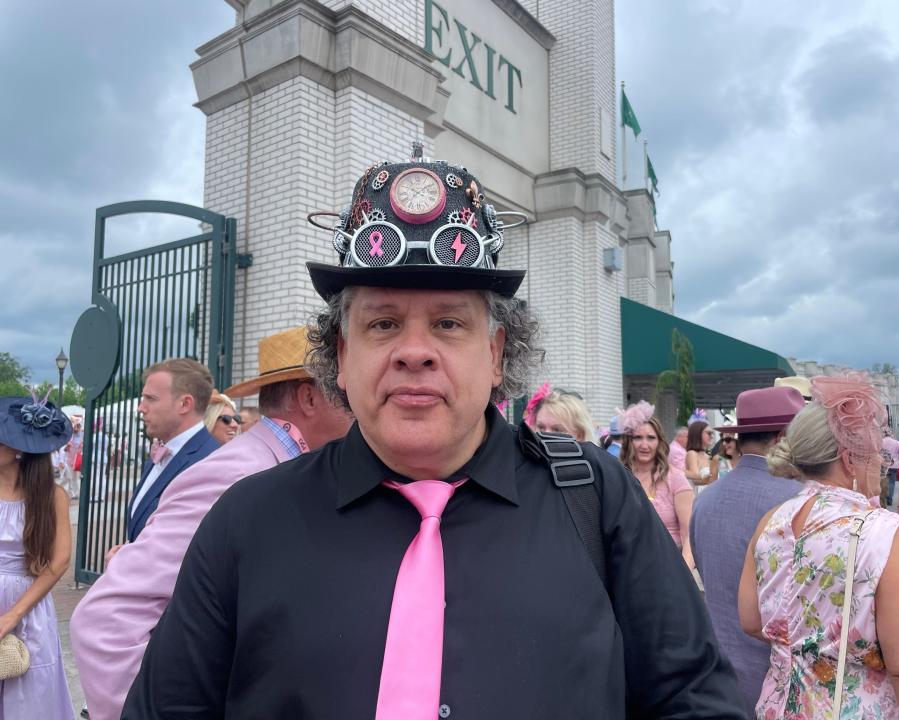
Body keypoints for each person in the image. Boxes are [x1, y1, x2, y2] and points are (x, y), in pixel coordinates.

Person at [122, 159, 745, 718]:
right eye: (383, 323)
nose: (414, 352)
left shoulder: (594, 497)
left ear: (497, 353)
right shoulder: (248, 521)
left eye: (448, 323)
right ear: (341, 356)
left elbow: (694, 699)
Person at [71, 327, 353, 720]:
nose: (361, 405)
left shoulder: (269, 466)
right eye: (345, 394)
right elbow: (106, 620)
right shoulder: (237, 474)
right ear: (309, 398)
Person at [738, 374, 899, 719]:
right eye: (874, 454)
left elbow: (750, 619)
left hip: (779, 707)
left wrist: (810, 648)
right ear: (848, 458)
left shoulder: (772, 521)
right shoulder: (881, 532)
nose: (880, 464)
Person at [689, 386, 805, 713]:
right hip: (782, 677)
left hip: (719, 673)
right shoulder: (800, 501)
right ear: (783, 436)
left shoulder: (705, 499)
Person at [0, 393, 75, 718]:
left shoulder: (51, 496)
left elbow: (59, 562)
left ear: (19, 449)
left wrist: (13, 615)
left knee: (28, 696)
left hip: (27, 604)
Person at [125, 358, 220, 542]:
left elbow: (182, 545)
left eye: (151, 399)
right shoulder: (160, 453)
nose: (141, 408)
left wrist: (124, 563)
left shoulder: (207, 463)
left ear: (185, 404)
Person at [618, 401, 695, 571]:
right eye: (638, 437)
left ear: (659, 441)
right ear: (629, 442)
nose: (644, 445)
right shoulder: (618, 478)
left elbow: (689, 534)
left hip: (668, 567)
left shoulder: (675, 478)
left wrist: (684, 572)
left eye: (651, 438)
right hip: (628, 569)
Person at [531, 389, 597, 443]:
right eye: (541, 427)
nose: (545, 435)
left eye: (557, 430)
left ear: (580, 435)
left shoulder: (593, 458)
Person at [881, 427, 899, 509]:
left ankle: (883, 497)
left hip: (882, 464)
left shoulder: (880, 442)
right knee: (892, 482)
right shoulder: (897, 443)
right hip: (894, 464)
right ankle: (889, 499)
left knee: (882, 481)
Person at [685, 419, 714, 488]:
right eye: (709, 433)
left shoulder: (708, 456)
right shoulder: (692, 454)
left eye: (712, 433)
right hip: (700, 495)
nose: (712, 436)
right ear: (697, 433)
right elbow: (695, 479)